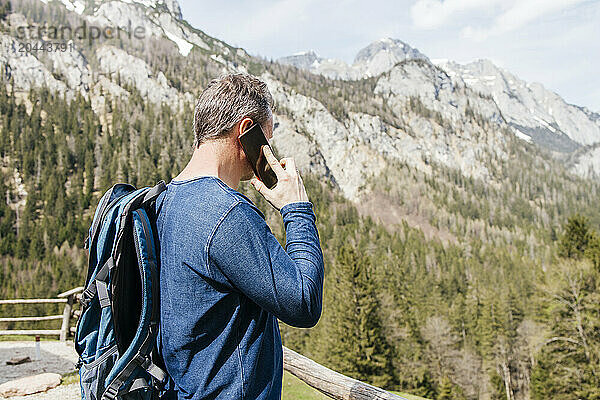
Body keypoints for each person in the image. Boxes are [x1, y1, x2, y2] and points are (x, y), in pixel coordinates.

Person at [154, 72, 325, 400]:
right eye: (266, 138)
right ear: (245, 131)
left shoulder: (166, 199)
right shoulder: (227, 215)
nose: (268, 150)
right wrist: (297, 209)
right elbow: (304, 303)